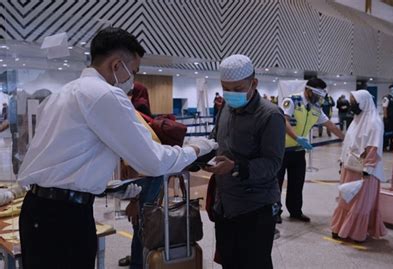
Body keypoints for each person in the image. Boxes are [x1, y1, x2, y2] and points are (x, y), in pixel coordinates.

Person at [17, 27, 217, 269]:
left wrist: (105, 187)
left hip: (39, 210)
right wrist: (196, 149)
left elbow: (68, 156)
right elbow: (152, 161)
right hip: (63, 217)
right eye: (132, 72)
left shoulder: (63, 93)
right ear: (116, 65)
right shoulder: (104, 94)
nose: (132, 81)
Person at [204, 54, 285, 269]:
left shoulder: (271, 115)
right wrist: (201, 153)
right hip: (225, 206)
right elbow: (216, 139)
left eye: (238, 89)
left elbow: (272, 164)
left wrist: (236, 167)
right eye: (225, 88)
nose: (231, 94)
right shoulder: (225, 109)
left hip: (255, 209)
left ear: (254, 83)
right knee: (229, 263)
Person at [277, 78, 344, 223]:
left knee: (297, 182)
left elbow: (330, 125)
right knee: (276, 183)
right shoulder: (292, 101)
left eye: (321, 96)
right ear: (307, 90)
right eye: (317, 94)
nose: (319, 98)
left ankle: (295, 211)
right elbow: (284, 120)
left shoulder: (315, 108)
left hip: (299, 151)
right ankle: (275, 213)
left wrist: (346, 138)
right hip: (281, 150)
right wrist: (297, 137)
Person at [331, 90, 387, 243]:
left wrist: (367, 169)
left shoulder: (374, 122)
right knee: (345, 199)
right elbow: (347, 143)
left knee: (360, 202)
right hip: (349, 166)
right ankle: (340, 227)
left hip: (364, 171)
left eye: (353, 101)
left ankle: (356, 232)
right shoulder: (356, 120)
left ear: (363, 102)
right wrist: (342, 162)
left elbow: (373, 147)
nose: (351, 105)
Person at [119, 82, 162, 268]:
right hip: (152, 174)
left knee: (141, 223)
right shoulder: (140, 113)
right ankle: (139, 259)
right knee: (143, 223)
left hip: (146, 177)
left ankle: (139, 262)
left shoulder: (132, 115)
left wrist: (135, 201)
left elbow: (134, 163)